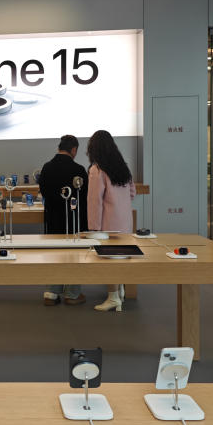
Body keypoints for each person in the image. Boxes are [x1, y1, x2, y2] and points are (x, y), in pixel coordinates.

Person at [86, 130, 136, 312]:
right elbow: (132, 193)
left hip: (107, 223)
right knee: (121, 258)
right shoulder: (123, 167)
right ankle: (119, 290)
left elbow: (94, 201)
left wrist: (93, 228)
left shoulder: (97, 170)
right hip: (125, 222)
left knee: (109, 261)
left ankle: (113, 297)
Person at [37, 134, 88, 305]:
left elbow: (43, 192)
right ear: (73, 150)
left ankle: (51, 293)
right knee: (73, 254)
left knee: (54, 253)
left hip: (53, 218)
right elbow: (84, 196)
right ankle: (72, 294)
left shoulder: (46, 168)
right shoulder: (79, 170)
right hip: (73, 219)